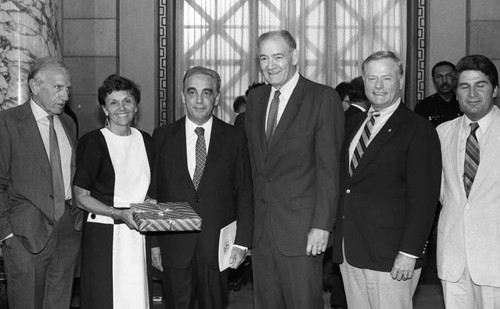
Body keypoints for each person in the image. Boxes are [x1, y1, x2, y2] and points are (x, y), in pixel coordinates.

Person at [332, 51, 442, 308]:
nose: (378, 86)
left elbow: (424, 199)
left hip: (392, 254)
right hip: (351, 250)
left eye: (386, 78)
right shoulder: (353, 124)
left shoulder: (418, 129)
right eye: (372, 78)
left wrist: (410, 252)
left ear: (401, 81)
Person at [245, 30, 344, 308]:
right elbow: (254, 166)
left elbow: (329, 170)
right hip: (262, 230)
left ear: (295, 56)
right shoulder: (256, 99)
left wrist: (322, 226)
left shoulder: (322, 98)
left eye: (278, 56)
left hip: (302, 232)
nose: (270, 65)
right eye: (264, 58)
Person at [150, 66, 253, 309]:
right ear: (183, 96)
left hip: (217, 247)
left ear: (217, 97)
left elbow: (245, 192)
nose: (198, 100)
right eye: (192, 92)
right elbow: (154, 192)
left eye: (206, 93)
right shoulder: (162, 136)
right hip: (174, 244)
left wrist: (241, 242)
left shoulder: (234, 138)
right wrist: (153, 242)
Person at [0, 57, 82, 308]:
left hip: (67, 230)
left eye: (67, 88)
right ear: (35, 86)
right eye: (58, 87)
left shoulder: (68, 122)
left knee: (59, 302)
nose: (66, 95)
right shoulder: (8, 122)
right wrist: (7, 233)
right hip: (25, 233)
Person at [73, 74, 155, 309]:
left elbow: (149, 189)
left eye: (127, 101)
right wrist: (117, 213)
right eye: (113, 102)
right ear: (104, 109)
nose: (122, 108)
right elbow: (81, 197)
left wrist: (150, 201)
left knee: (137, 297)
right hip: (103, 236)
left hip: (138, 234)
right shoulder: (93, 142)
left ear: (136, 105)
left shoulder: (147, 141)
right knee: (104, 298)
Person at [436, 54, 500, 308]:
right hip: (453, 257)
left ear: (494, 90)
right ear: (457, 94)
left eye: (480, 85)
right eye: (464, 86)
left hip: (494, 257)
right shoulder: (442, 133)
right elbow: (441, 193)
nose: (472, 93)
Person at [414, 61, 463, 127]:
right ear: (434, 80)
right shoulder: (423, 106)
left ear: (456, 78)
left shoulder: (463, 102)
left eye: (449, 76)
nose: (444, 81)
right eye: (439, 77)